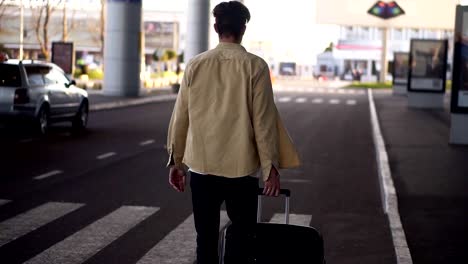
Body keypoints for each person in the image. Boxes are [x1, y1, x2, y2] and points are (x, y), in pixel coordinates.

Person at [166, 1, 300, 263]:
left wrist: (177, 162)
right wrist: (269, 168)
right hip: (242, 170)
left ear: (216, 27)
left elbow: (181, 116)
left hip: (202, 168)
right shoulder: (255, 66)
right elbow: (263, 121)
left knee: (205, 240)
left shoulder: (196, 64)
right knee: (241, 241)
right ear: (243, 29)